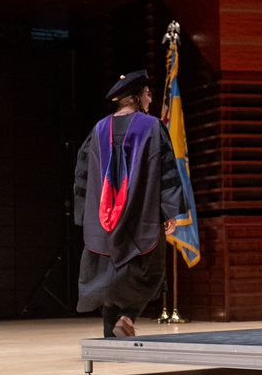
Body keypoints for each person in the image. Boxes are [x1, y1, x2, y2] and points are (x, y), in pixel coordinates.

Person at [74, 72, 182, 338]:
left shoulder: (98, 129)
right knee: (151, 271)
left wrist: (84, 214)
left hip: (103, 218)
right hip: (142, 214)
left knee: (110, 273)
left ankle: (111, 334)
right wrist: (169, 211)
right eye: (147, 93)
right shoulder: (152, 127)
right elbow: (167, 170)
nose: (150, 98)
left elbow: (83, 172)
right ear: (135, 97)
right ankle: (127, 318)